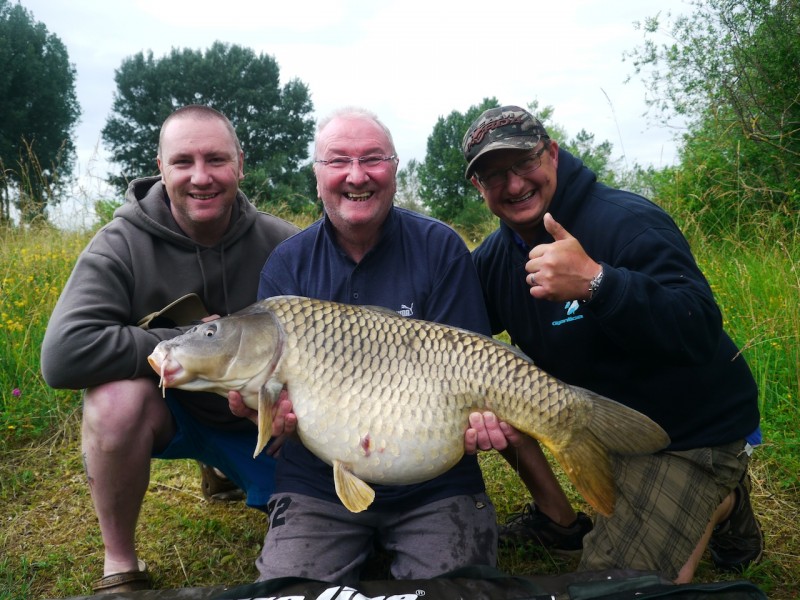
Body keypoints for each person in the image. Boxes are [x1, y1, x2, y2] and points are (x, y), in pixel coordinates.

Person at [460, 105, 763, 583]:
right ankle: (560, 520)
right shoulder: (495, 260)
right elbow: (451, 330)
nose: (514, 184)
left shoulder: (624, 221)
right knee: (486, 384)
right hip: (600, 424)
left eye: (523, 163)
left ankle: (721, 495)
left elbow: (698, 327)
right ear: (479, 188)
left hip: (688, 431)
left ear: (552, 154)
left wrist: (598, 283)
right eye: (495, 175)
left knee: (615, 586)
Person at [230, 107, 498, 586]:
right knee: (288, 594)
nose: (357, 175)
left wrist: (485, 422)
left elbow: (476, 369)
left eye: (373, 159)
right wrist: (268, 416)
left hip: (434, 484)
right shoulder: (286, 267)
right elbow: (271, 418)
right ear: (318, 178)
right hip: (316, 482)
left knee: (461, 592)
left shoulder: (440, 248)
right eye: (338, 162)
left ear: (394, 169)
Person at [40, 105, 299, 594]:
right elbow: (63, 355)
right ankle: (120, 564)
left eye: (216, 160)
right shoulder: (120, 243)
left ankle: (227, 468)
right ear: (161, 168)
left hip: (259, 422)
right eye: (183, 162)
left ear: (240, 164)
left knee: (336, 521)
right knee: (114, 401)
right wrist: (190, 346)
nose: (201, 177)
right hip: (173, 411)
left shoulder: (282, 241)